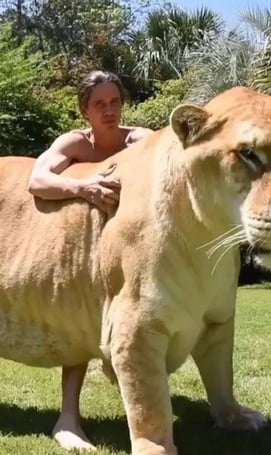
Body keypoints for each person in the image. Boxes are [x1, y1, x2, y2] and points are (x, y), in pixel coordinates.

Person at [28, 70, 154, 451]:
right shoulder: (76, 143)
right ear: (85, 109)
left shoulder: (140, 140)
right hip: (85, 252)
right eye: (99, 104)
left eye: (114, 101)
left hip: (133, 252)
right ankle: (68, 417)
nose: (109, 110)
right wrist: (81, 186)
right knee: (81, 321)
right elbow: (37, 180)